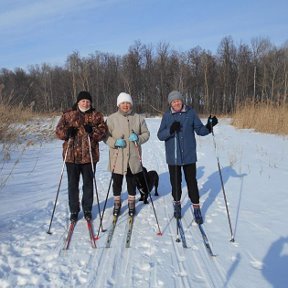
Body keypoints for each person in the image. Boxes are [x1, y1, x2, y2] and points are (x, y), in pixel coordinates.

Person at [157, 90, 218, 224]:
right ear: (170, 104)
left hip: (189, 156)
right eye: (173, 101)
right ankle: (177, 204)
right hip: (173, 156)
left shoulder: (190, 113)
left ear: (182, 100)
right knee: (176, 183)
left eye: (178, 100)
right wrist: (170, 130)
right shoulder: (167, 116)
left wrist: (209, 126)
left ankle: (196, 208)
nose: (176, 103)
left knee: (192, 182)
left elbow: (200, 130)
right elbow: (160, 135)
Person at [55, 91, 108, 222]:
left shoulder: (96, 115)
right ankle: (74, 210)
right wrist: (67, 132)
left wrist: (93, 132)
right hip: (71, 157)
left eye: (88, 101)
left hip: (90, 156)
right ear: (78, 102)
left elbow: (103, 132)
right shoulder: (68, 115)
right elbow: (58, 131)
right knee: (73, 185)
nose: (85, 103)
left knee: (88, 184)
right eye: (83, 101)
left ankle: (87, 209)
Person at [104, 92, 150, 217]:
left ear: (131, 104)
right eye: (123, 103)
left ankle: (131, 203)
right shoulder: (111, 119)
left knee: (131, 182)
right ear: (119, 104)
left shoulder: (139, 118)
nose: (125, 105)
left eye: (128, 103)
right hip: (117, 157)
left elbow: (146, 134)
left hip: (133, 157)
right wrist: (114, 142)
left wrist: (138, 138)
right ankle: (117, 204)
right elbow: (105, 136)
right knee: (117, 182)